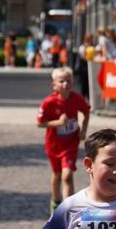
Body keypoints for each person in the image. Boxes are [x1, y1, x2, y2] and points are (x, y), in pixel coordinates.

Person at [37, 66, 91, 214]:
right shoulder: (49, 102)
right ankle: (55, 200)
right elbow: (40, 123)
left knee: (67, 175)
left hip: (70, 144)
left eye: (69, 81)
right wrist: (57, 123)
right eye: (61, 81)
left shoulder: (76, 99)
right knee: (57, 175)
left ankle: (69, 209)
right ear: (54, 85)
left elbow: (86, 112)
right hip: (54, 145)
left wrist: (83, 130)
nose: (65, 84)